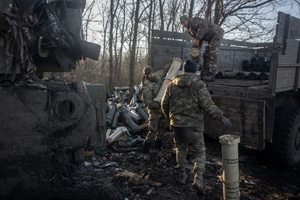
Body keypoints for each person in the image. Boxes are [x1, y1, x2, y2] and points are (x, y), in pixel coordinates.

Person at [161, 59, 232, 195]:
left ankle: (182, 175)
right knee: (199, 152)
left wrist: (170, 118)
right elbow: (207, 105)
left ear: (183, 70)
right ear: (194, 70)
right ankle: (198, 179)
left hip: (177, 125)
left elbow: (164, 104)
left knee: (181, 150)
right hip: (194, 126)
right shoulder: (199, 84)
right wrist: (220, 117)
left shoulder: (172, 84)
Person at [140, 60, 172, 161]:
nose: (151, 75)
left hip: (162, 110)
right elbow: (147, 102)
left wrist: (171, 62)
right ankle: (145, 152)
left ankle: (158, 148)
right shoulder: (146, 87)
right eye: (149, 74)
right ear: (146, 76)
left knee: (162, 129)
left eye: (152, 72)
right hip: (154, 111)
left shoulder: (158, 75)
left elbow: (165, 70)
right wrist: (157, 104)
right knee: (152, 130)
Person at [179, 15, 224, 82]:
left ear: (187, 20)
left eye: (183, 22)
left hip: (216, 33)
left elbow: (203, 27)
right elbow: (200, 38)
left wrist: (197, 39)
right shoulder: (189, 31)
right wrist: (197, 47)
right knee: (205, 55)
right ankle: (203, 74)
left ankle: (211, 75)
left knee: (212, 53)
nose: (183, 25)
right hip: (209, 38)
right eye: (181, 24)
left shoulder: (194, 21)